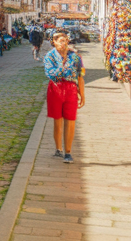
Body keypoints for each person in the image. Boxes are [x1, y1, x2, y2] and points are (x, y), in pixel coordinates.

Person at [44, 29, 86, 163]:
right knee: (57, 120)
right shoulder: (49, 57)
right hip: (55, 88)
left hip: (71, 89)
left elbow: (80, 75)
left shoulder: (75, 57)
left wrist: (82, 94)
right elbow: (51, 74)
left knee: (70, 119)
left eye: (66, 41)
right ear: (54, 42)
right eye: (61, 41)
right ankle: (58, 148)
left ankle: (68, 152)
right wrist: (63, 66)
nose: (64, 44)